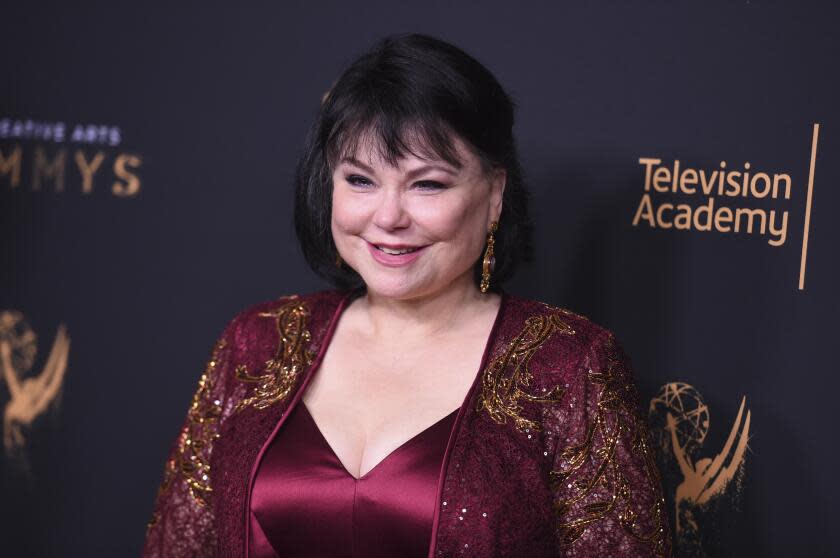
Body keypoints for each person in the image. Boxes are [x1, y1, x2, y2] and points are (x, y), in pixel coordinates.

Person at [142, 33, 672, 558]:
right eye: (361, 180)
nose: (389, 217)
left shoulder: (568, 366)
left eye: (427, 185)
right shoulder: (257, 342)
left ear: (494, 196)